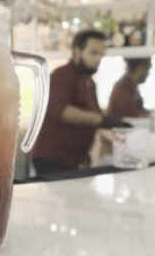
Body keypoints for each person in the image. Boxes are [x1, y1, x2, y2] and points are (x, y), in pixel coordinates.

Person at [31, 30, 131, 173]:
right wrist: (102, 120)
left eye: (101, 54)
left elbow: (95, 116)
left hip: (76, 161)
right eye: (93, 53)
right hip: (53, 160)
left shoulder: (89, 82)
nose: (98, 59)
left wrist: (118, 129)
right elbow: (62, 112)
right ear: (77, 52)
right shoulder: (61, 75)